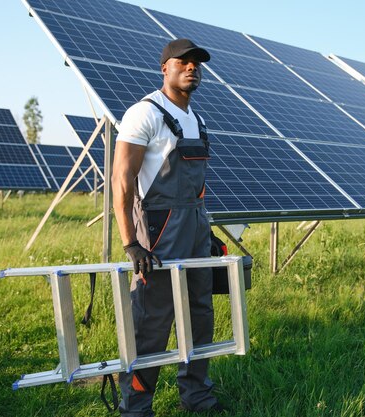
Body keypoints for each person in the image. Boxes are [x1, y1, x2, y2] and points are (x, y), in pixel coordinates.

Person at [111, 38, 225, 416]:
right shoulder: (144, 113)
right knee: (152, 324)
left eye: (197, 63)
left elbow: (198, 185)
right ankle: (137, 407)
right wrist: (131, 242)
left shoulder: (199, 119)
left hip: (193, 226)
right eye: (183, 62)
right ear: (165, 68)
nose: (192, 68)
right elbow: (122, 180)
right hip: (158, 231)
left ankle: (197, 397)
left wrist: (205, 232)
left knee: (199, 316)